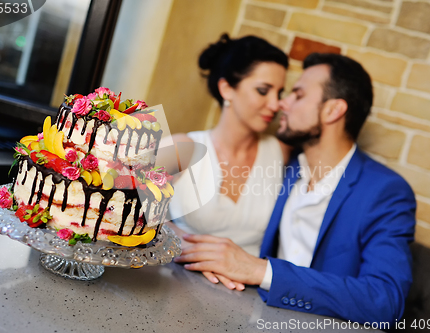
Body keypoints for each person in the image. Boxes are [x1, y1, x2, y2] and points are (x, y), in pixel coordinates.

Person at [174, 53, 416, 324]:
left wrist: (262, 271)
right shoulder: (288, 170)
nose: (282, 104)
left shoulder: (385, 191)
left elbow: (386, 301)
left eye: (297, 95)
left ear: (332, 111)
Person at [166, 34, 291, 290]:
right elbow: (121, 201)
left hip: (249, 296)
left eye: (280, 93)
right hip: (175, 285)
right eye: (263, 90)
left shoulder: (281, 152)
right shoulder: (183, 148)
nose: (276, 104)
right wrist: (181, 241)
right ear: (227, 89)